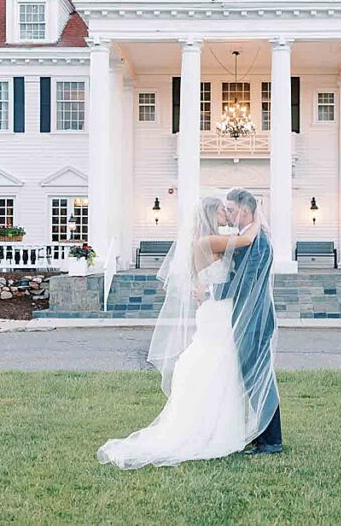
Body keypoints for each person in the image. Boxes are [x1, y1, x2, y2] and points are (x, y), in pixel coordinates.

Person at [96, 196, 262, 469]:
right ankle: (209, 428)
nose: (228, 214)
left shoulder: (205, 239)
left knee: (218, 365)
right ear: (211, 213)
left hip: (213, 310)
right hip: (216, 313)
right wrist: (257, 219)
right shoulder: (207, 242)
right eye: (223, 210)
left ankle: (217, 424)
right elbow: (245, 241)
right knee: (218, 364)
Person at [216, 187, 282, 455]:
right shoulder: (247, 238)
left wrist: (214, 292)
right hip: (246, 316)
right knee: (251, 377)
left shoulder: (258, 242)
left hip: (255, 318)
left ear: (245, 211)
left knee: (259, 377)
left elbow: (246, 282)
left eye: (231, 210)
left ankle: (270, 440)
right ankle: (261, 434)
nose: (229, 215)